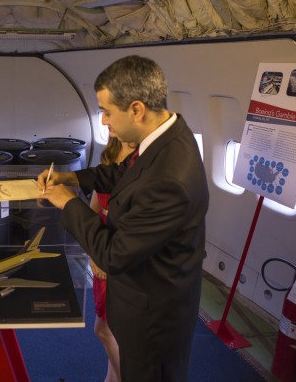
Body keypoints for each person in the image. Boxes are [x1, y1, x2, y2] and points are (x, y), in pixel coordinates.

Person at [38, 55, 209, 382]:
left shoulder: (170, 179)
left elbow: (114, 254)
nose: (103, 121)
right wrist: (70, 180)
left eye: (106, 111)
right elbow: (124, 175)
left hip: (153, 320)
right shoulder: (167, 136)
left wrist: (66, 203)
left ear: (136, 109)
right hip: (143, 306)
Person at [89, 134, 136, 382]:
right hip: (103, 245)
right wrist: (93, 251)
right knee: (111, 329)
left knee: (104, 329)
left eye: (110, 112)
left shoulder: (144, 160)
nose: (106, 122)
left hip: (122, 252)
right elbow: (94, 209)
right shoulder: (108, 156)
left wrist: (106, 256)